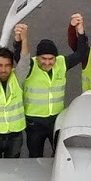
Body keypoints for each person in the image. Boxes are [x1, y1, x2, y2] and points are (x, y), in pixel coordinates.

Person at [13, 24, 68, 159]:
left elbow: (81, 53)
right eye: (43, 58)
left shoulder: (61, 63)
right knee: (35, 156)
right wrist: (19, 40)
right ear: (37, 57)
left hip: (56, 120)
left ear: (56, 58)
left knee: (61, 155)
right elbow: (20, 57)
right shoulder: (30, 66)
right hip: (34, 122)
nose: (47, 63)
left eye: (51, 59)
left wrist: (78, 30)